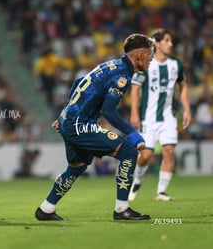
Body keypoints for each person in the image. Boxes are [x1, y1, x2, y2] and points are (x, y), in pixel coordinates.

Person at [35, 33, 154, 221]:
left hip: (69, 121)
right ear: (140, 55)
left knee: (76, 167)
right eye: (150, 55)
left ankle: (46, 209)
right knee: (129, 153)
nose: (151, 59)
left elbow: (78, 82)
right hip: (80, 125)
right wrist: (131, 132)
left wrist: (67, 113)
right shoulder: (122, 75)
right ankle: (122, 209)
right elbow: (108, 110)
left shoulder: (110, 65)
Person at [128, 28, 191, 202]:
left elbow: (183, 86)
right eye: (167, 40)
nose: (171, 44)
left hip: (168, 116)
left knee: (169, 151)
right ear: (157, 43)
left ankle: (161, 192)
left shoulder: (175, 64)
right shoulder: (147, 63)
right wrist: (134, 112)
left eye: (171, 41)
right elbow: (135, 88)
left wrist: (186, 109)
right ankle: (137, 183)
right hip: (147, 117)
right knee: (146, 156)